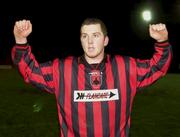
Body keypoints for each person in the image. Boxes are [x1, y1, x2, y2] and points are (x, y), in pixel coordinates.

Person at [11, 18, 172, 137]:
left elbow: (157, 67)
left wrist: (162, 41)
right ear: (80, 39)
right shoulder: (62, 69)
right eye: (84, 36)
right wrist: (20, 40)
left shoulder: (126, 67)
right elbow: (30, 71)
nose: (89, 42)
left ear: (106, 40)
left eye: (95, 35)